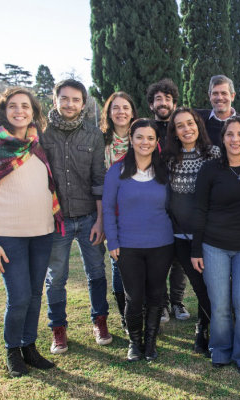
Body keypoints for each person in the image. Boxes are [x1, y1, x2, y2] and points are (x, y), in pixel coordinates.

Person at [0, 87, 60, 377]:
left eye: (25, 106)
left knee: (35, 294)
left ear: (33, 111)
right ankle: (13, 350)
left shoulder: (37, 143)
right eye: (13, 106)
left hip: (43, 232)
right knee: (19, 296)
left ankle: (29, 346)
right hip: (9, 237)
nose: (19, 110)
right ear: (4, 111)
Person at [40, 79, 111, 354]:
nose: (70, 104)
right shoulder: (42, 134)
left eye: (76, 99)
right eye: (65, 98)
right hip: (56, 218)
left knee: (96, 273)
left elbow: (98, 179)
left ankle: (100, 321)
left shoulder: (93, 134)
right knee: (56, 277)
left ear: (84, 103)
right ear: (55, 100)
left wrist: (100, 220)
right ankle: (58, 328)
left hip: (88, 217)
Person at [191, 116, 240, 374]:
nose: (235, 139)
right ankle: (220, 349)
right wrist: (196, 248)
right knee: (219, 302)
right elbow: (199, 209)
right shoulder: (210, 169)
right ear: (222, 138)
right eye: (230, 134)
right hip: (214, 245)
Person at [102, 118, 173, 362]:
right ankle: (135, 342)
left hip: (161, 244)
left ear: (156, 142)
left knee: (156, 295)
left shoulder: (164, 171)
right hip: (128, 245)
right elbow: (109, 209)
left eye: (150, 138)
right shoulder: (117, 171)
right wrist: (112, 241)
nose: (145, 142)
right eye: (140, 137)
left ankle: (150, 342)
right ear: (131, 140)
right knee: (134, 297)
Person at [163, 107, 221, 356]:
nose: (187, 129)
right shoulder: (168, 159)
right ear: (174, 132)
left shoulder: (214, 154)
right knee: (199, 285)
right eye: (180, 125)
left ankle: (213, 327)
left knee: (215, 285)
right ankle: (203, 328)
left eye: (191, 123)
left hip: (212, 235)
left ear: (198, 125)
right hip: (182, 236)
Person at [146, 78, 190, 323]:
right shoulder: (146, 129)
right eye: (158, 99)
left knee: (179, 259)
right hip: (153, 201)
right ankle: (161, 303)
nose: (163, 103)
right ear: (152, 104)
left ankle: (177, 301)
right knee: (159, 256)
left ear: (174, 102)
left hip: (180, 200)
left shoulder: (180, 128)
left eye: (167, 99)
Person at [99, 91, 137, 334]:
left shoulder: (141, 137)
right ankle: (125, 315)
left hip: (140, 210)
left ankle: (140, 310)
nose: (121, 112)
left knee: (140, 262)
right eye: (116, 108)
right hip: (112, 209)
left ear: (132, 111)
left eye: (125, 107)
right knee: (118, 262)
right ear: (109, 112)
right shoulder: (100, 141)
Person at [195, 75, 240, 145]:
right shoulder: (197, 119)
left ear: (232, 96)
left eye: (224, 93)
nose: (219, 98)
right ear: (209, 96)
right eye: (215, 93)